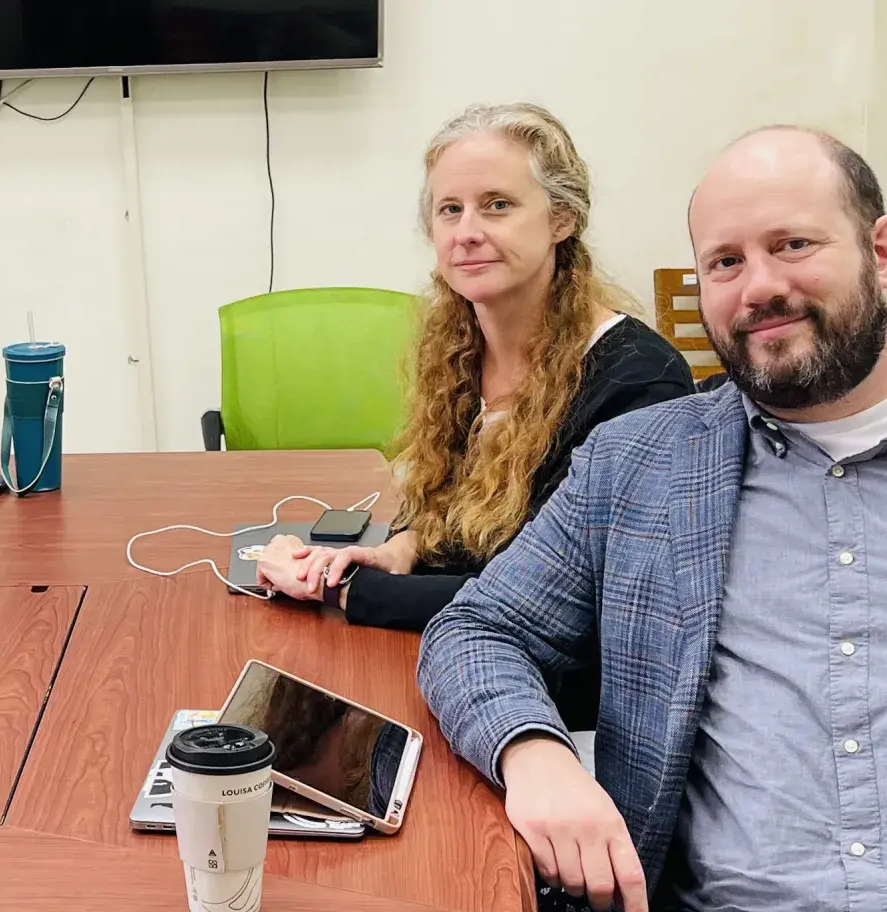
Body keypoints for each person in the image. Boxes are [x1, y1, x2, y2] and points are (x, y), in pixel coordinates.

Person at [419, 127, 887, 912]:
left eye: (794, 246)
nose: (759, 286)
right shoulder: (645, 461)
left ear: (884, 250)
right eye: (724, 263)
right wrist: (534, 754)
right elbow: (477, 628)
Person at [256, 103, 691, 729]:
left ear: (562, 219)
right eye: (449, 209)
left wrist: (343, 589)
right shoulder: (461, 346)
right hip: (456, 658)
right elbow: (460, 527)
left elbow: (564, 601)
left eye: (498, 205)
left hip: (554, 709)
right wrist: (401, 549)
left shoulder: (636, 382)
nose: (467, 231)